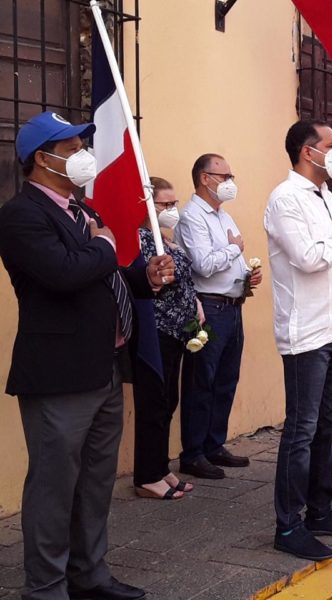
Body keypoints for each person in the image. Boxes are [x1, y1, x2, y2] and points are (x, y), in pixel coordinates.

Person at [0, 111, 176, 600]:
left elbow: (108, 274)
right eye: (72, 148)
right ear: (43, 159)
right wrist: (104, 247)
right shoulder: (21, 215)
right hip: (59, 376)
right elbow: (62, 272)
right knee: (54, 488)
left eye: (82, 146)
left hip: (104, 366)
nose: (82, 157)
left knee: (96, 484)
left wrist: (146, 278)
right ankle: (46, 587)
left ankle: (89, 574)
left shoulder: (85, 210)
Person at [265, 120, 332, 561]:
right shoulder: (284, 199)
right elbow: (310, 258)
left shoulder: (326, 195)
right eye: (331, 145)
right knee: (301, 429)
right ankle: (287, 526)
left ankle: (320, 510)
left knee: (327, 424)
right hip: (305, 331)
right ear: (309, 152)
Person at [176, 153, 263, 479]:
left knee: (225, 380)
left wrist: (247, 275)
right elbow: (203, 264)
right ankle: (193, 453)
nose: (230, 182)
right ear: (204, 179)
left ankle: (214, 444)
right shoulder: (192, 217)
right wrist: (234, 250)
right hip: (207, 308)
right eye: (224, 176)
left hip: (232, 306)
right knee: (202, 382)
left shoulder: (222, 216)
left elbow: (230, 259)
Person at [131, 177, 200, 500]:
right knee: (153, 403)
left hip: (178, 331)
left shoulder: (168, 240)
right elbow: (154, 281)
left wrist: (196, 305)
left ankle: (160, 467)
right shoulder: (142, 240)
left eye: (174, 204)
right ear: (148, 206)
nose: (172, 210)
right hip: (156, 330)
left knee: (168, 401)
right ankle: (146, 475)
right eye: (164, 205)